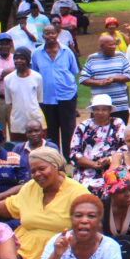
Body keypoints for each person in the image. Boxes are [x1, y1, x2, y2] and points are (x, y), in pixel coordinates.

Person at [31, 26, 79, 159]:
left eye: (52, 33)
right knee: (51, 129)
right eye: (47, 33)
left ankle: (69, 159)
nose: (50, 36)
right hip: (46, 97)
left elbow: (73, 70)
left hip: (67, 95)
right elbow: (35, 74)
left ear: (56, 34)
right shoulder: (36, 53)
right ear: (43, 36)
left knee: (68, 128)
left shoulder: (66, 51)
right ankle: (54, 158)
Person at [69, 94, 126, 196]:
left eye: (104, 109)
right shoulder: (83, 126)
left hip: (114, 167)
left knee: (125, 185)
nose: (100, 112)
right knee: (83, 189)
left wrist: (109, 159)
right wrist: (94, 165)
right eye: (97, 109)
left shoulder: (118, 123)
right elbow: (74, 154)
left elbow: (125, 147)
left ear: (110, 110)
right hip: (86, 168)